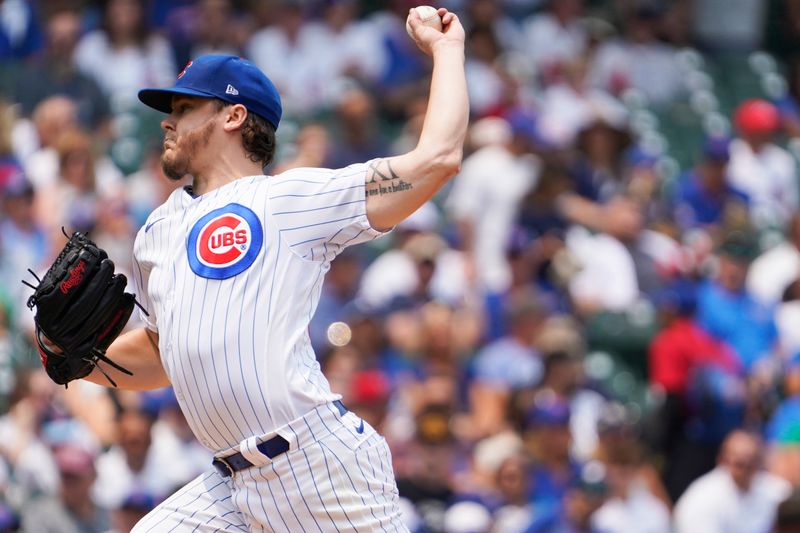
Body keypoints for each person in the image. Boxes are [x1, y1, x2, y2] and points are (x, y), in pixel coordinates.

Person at [48, 6, 467, 531]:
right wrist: (78, 359)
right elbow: (164, 353)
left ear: (233, 115)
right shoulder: (157, 230)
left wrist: (447, 50)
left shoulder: (289, 198)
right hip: (231, 484)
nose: (167, 121)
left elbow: (437, 159)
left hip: (319, 470)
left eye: (184, 107)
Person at [674, 430, 791, 533]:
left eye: (752, 462)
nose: (746, 469)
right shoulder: (700, 498)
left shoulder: (774, 490)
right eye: (740, 464)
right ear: (722, 460)